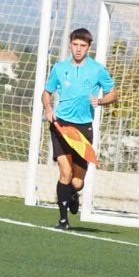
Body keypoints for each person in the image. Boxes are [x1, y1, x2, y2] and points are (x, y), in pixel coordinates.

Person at [41, 28, 117, 231]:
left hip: (83, 128)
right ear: (70, 45)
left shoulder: (97, 70)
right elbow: (46, 93)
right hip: (61, 125)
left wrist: (100, 100)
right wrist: (48, 108)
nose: (78, 49)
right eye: (75, 45)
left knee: (76, 182)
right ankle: (63, 220)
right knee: (65, 172)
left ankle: (73, 195)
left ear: (89, 47)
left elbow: (113, 94)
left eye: (83, 46)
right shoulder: (59, 68)